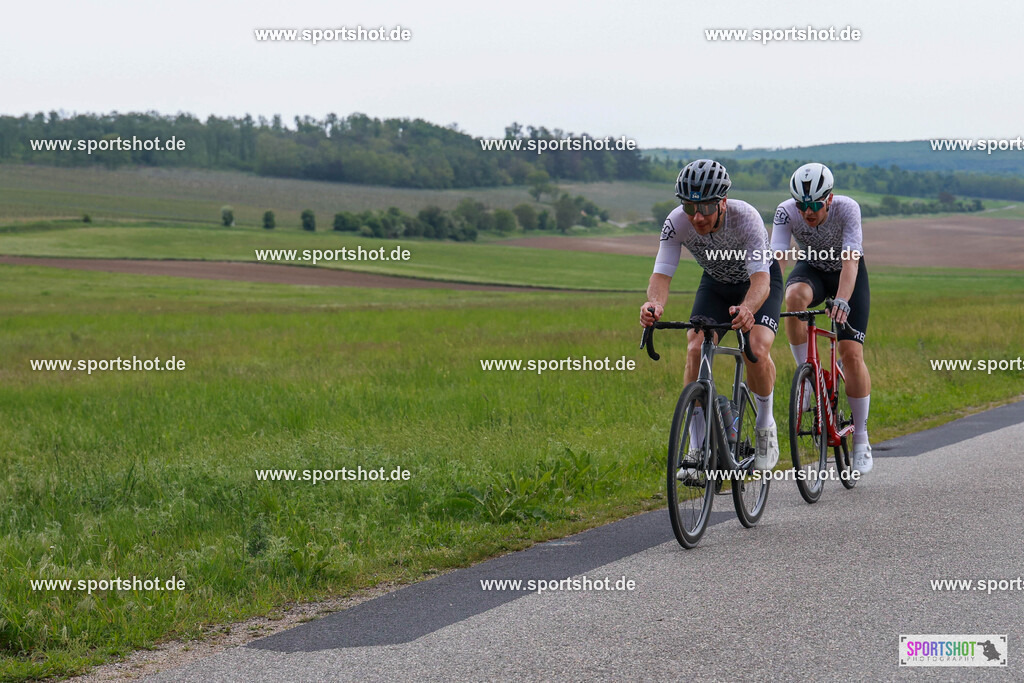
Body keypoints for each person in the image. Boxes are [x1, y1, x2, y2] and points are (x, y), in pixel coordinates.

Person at [641, 159, 783, 473]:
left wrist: (748, 309)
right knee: (694, 346)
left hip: (758, 283)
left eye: (705, 207)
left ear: (723, 203)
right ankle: (696, 449)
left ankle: (765, 427)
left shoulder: (746, 219)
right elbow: (662, 274)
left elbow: (760, 280)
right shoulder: (676, 221)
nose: (698, 217)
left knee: (756, 349)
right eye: (691, 208)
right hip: (716, 284)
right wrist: (654, 305)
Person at [771, 162, 873, 473]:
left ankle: (861, 440)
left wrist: (842, 300)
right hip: (812, 268)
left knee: (851, 353)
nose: (807, 212)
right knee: (793, 298)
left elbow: (850, 261)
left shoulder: (847, 209)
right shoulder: (785, 212)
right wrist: (767, 300)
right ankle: (807, 378)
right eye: (802, 205)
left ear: (828, 199)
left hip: (846, 274)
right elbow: (776, 259)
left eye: (815, 204)